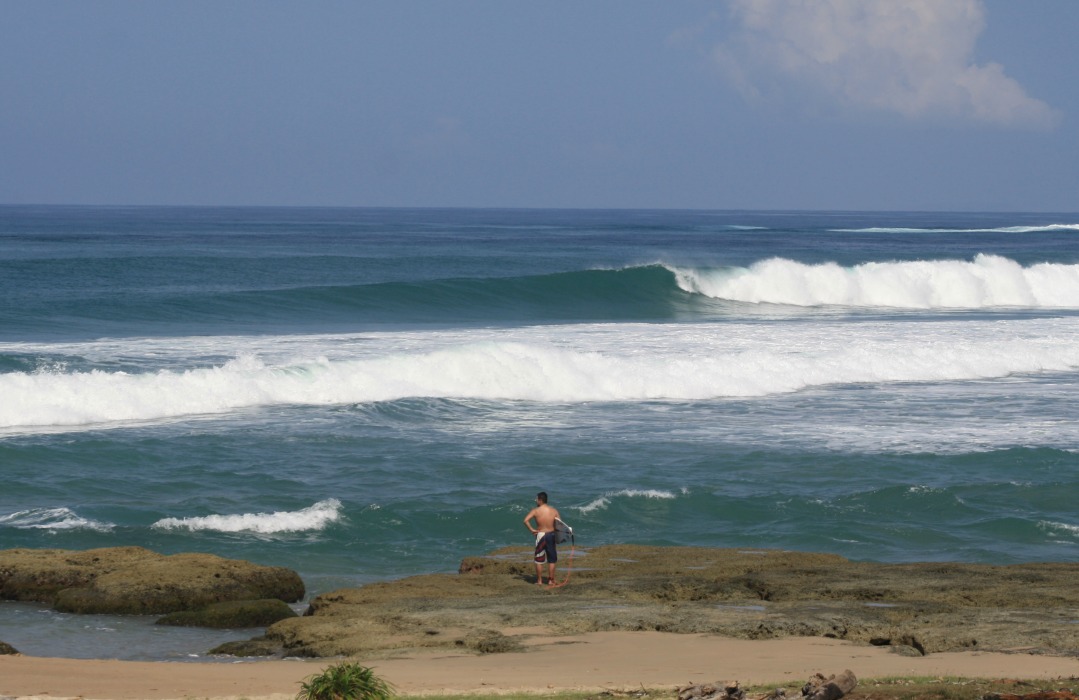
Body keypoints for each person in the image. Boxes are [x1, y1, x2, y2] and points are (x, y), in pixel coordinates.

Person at [523, 491, 560, 587]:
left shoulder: (535, 511)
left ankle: (539, 581)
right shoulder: (554, 511)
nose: (536, 500)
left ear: (540, 500)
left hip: (541, 535)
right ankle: (551, 581)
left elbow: (525, 520)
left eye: (537, 499)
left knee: (539, 559)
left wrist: (532, 530)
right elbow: (559, 525)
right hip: (551, 535)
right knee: (552, 559)